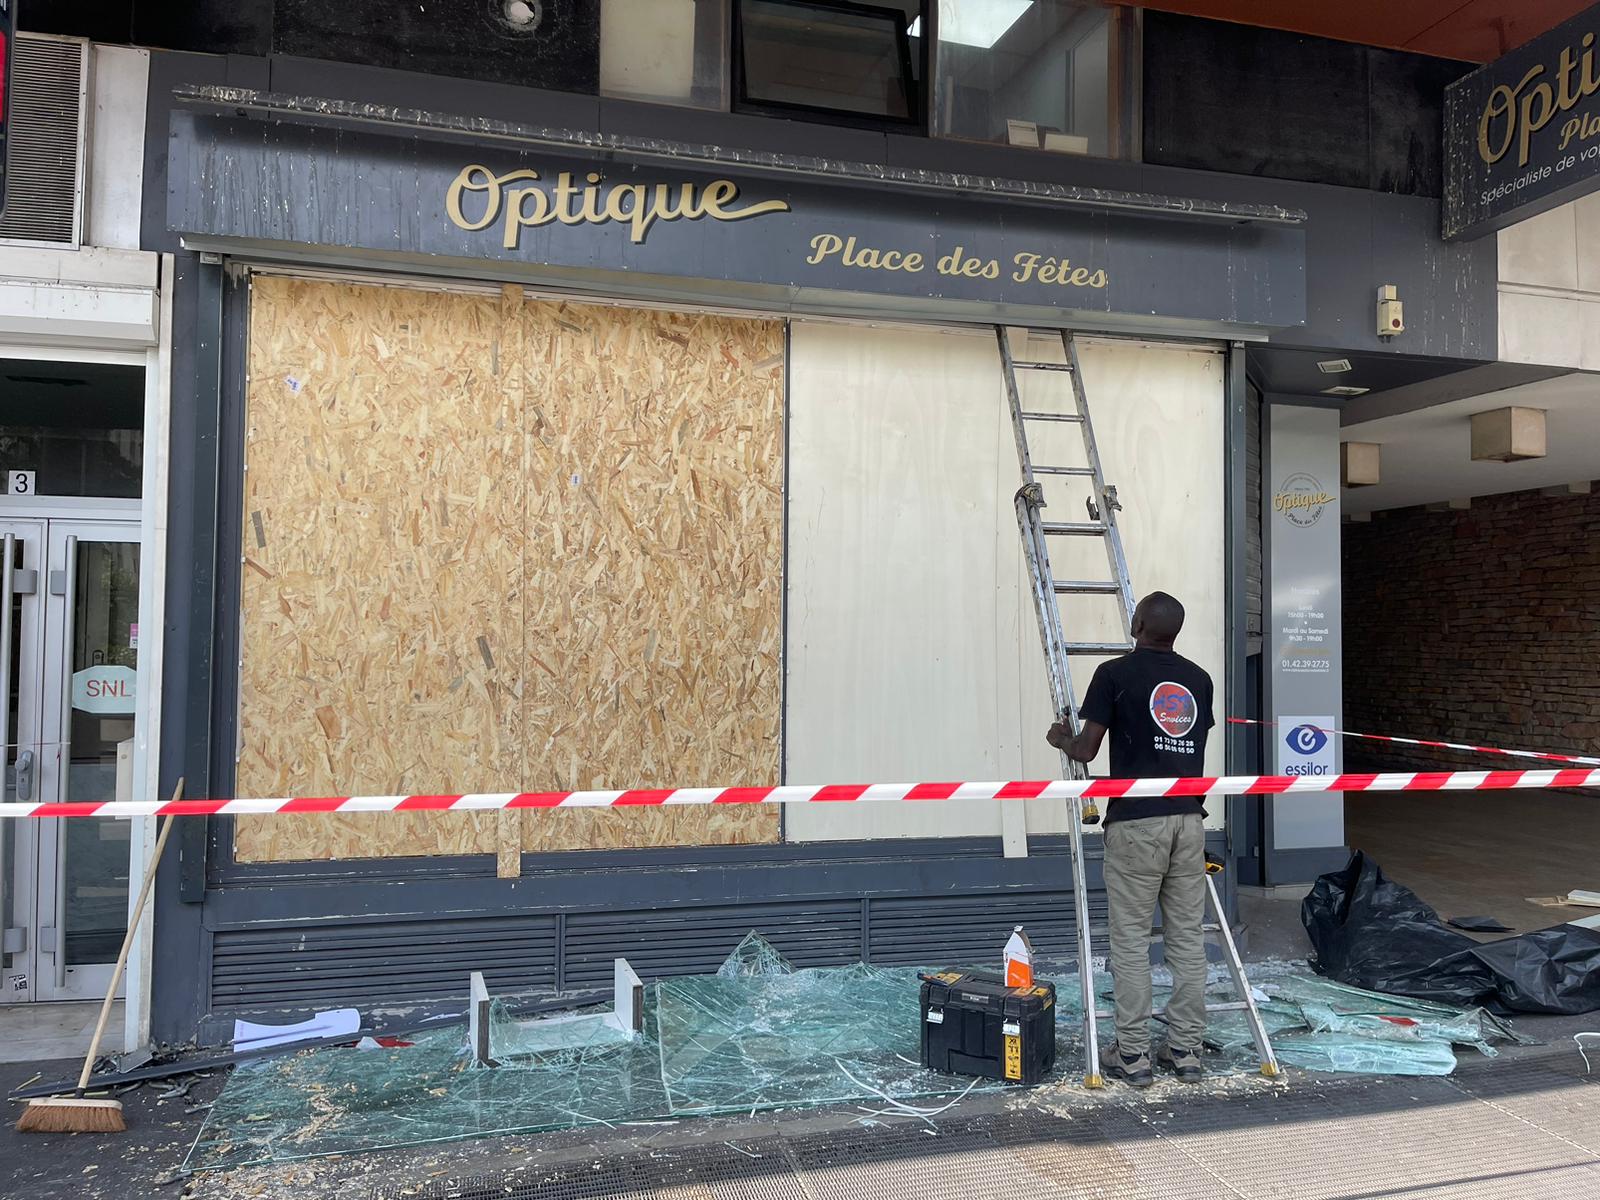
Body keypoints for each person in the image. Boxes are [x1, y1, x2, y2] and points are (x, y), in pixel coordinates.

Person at [1046, 591, 1213, 1087]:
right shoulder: (1199, 679)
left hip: (1138, 825)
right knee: (1186, 939)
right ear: (1175, 631)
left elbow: (1086, 748)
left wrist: (1059, 738)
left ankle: (1134, 1055)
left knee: (1132, 943)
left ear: (1137, 622)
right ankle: (1186, 1050)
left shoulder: (1114, 674)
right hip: (1189, 820)